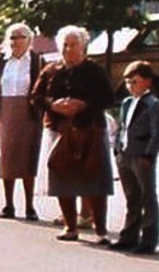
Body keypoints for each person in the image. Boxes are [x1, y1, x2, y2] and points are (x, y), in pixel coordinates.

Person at [31, 25, 114, 244]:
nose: (68, 49)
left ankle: (100, 230)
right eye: (65, 45)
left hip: (90, 128)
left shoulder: (94, 70)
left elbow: (108, 97)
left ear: (83, 45)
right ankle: (70, 226)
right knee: (61, 177)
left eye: (73, 44)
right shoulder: (50, 70)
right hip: (59, 129)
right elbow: (36, 96)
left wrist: (84, 104)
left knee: (95, 177)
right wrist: (53, 104)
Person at [0, 23, 44, 219]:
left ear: (29, 40)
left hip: (29, 113)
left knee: (28, 158)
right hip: (5, 114)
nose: (16, 41)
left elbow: (42, 89)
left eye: (20, 37)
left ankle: (29, 206)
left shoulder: (36, 61)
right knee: (6, 158)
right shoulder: (1, 61)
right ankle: (8, 204)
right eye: (12, 37)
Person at [110, 61, 159, 254]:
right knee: (132, 197)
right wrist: (117, 148)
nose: (130, 86)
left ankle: (149, 239)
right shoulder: (127, 102)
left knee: (147, 197)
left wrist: (149, 155)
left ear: (147, 82)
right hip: (125, 154)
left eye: (135, 82)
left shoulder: (153, 104)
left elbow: (158, 133)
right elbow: (122, 127)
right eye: (127, 82)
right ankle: (129, 236)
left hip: (141, 156)